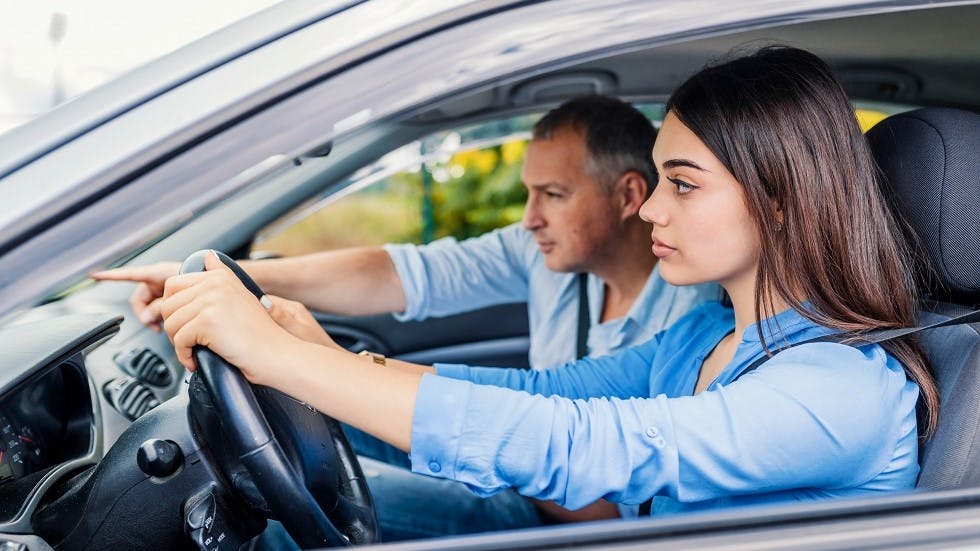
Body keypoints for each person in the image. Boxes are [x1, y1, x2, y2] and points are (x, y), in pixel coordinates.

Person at [162, 44, 942, 542]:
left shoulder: (840, 391)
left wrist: (280, 358)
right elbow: (539, 395)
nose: (652, 209)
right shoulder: (708, 335)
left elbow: (585, 448)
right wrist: (321, 358)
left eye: (682, 184)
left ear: (778, 199)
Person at [94, 95, 719, 529]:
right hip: (514, 463)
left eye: (552, 196)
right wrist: (236, 278)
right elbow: (404, 274)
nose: (529, 218)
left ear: (628, 196)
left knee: (283, 510)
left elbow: (602, 504)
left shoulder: (693, 326)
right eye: (530, 193)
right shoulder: (545, 255)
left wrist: (315, 363)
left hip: (560, 511)